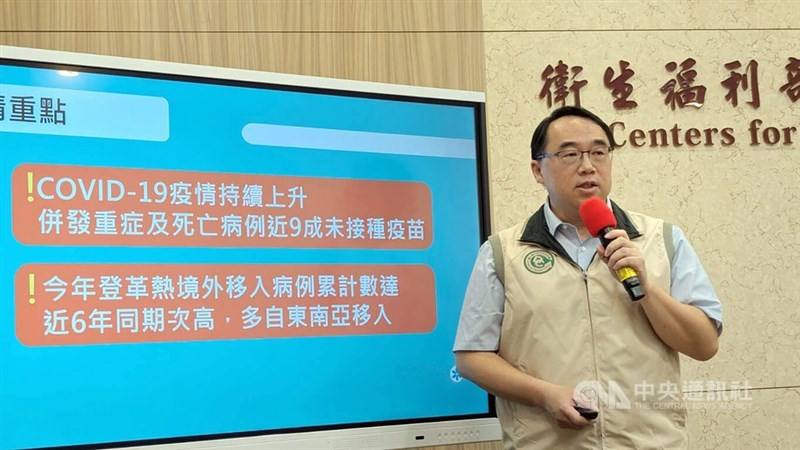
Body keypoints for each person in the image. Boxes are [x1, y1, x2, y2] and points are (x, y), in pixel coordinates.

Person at [453, 106, 722, 449]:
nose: (587, 166)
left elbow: (704, 345)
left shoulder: (662, 239)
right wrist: (545, 395)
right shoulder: (503, 252)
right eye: (569, 154)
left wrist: (647, 288)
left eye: (599, 152)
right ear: (538, 170)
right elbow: (472, 358)